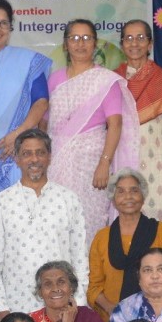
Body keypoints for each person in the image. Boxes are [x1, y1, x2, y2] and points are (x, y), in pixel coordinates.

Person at [0, 129, 89, 322]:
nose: (34, 159)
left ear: (49, 157)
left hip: (61, 311)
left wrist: (78, 303)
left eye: (40, 152)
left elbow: (79, 259)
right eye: (26, 153)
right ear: (17, 159)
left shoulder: (69, 199)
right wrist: (0, 308)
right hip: (17, 311)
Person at [48, 19, 140, 242]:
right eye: (75, 38)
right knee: (55, 222)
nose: (81, 44)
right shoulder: (54, 79)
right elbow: (45, 122)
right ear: (65, 45)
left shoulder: (105, 81)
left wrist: (104, 162)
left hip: (91, 163)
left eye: (87, 38)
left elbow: (115, 125)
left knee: (88, 222)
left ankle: (88, 275)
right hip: (56, 162)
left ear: (95, 44)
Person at [0, 0, 51, 206]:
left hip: (11, 152)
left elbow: (41, 101)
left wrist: (18, 134)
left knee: (14, 214)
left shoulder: (27, 61)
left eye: (4, 23)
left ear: (10, 27)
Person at [88, 170, 162, 320]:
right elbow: (94, 286)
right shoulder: (102, 237)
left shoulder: (160, 231)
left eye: (134, 190)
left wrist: (154, 308)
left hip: (156, 318)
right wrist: (110, 308)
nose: (128, 196)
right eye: (121, 191)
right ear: (113, 199)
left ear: (143, 196)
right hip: (112, 320)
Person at [117, 19, 162, 218]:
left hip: (159, 164)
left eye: (140, 38)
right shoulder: (113, 81)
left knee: (159, 222)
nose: (134, 43)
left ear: (150, 44)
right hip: (123, 162)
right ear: (122, 44)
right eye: (128, 38)